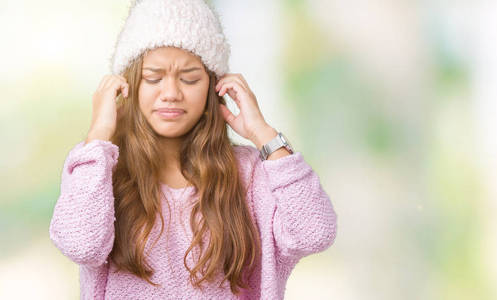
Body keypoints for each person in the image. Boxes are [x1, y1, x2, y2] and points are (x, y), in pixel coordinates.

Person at [48, 0, 338, 299]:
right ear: (128, 86)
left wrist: (264, 134)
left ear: (215, 86)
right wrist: (98, 136)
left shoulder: (248, 173)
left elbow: (314, 233)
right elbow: (81, 245)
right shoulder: (96, 168)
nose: (171, 94)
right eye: (153, 78)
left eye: (189, 79)